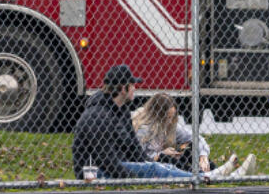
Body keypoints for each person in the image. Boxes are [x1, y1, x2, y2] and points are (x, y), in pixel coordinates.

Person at [72, 64, 245, 181]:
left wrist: (145, 163)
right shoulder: (98, 116)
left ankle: (209, 176)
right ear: (123, 88)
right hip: (95, 171)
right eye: (132, 85)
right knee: (155, 169)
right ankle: (206, 178)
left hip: (116, 165)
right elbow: (106, 161)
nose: (135, 88)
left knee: (155, 165)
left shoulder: (121, 110)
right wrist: (136, 177)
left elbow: (133, 148)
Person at [132, 92, 257, 176]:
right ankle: (212, 176)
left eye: (172, 117)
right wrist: (161, 153)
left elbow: (196, 138)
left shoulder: (170, 125)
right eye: (167, 117)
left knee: (191, 147)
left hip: (168, 160)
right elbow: (139, 157)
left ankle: (220, 174)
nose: (170, 121)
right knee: (169, 159)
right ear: (157, 115)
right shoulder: (144, 128)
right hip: (154, 165)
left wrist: (203, 157)